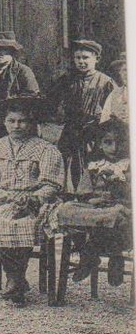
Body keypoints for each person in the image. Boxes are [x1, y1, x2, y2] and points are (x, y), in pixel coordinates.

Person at [0, 95, 65, 306]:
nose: (16, 126)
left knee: (22, 223)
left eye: (22, 121)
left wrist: (33, 198)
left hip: (36, 202)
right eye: (12, 121)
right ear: (4, 122)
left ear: (31, 122)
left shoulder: (46, 149)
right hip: (2, 200)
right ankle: (16, 279)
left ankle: (14, 280)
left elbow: (52, 184)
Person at [49, 121, 131, 286]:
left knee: (116, 217)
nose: (114, 147)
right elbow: (83, 193)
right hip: (95, 208)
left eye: (120, 142)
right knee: (65, 210)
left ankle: (108, 255)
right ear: (99, 144)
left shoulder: (129, 166)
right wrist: (92, 199)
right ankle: (87, 251)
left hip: (119, 207)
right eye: (108, 142)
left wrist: (121, 183)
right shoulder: (94, 167)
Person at [48, 39, 118, 189]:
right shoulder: (67, 80)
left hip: (94, 130)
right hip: (71, 128)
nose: (81, 62)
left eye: (85, 58)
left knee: (90, 162)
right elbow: (54, 103)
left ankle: (90, 192)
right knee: (66, 159)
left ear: (96, 59)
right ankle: (68, 191)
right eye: (77, 58)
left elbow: (114, 108)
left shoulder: (106, 81)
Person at [0, 32, 39, 142]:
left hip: (18, 131)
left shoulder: (24, 72)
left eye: (3, 49)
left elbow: (32, 101)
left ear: (12, 51)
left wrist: (1, 106)